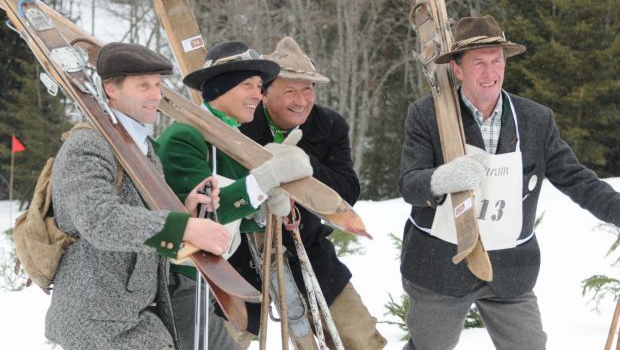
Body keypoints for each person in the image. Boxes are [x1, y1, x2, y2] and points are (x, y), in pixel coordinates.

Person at [398, 15, 620, 350]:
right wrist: (441, 179)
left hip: (508, 270)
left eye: (496, 61)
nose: (490, 72)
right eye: (478, 63)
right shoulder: (428, 115)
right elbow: (410, 184)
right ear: (457, 69)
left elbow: (575, 178)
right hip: (441, 266)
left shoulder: (534, 120)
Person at [45, 42, 232, 350]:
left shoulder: (143, 152)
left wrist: (185, 210)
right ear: (111, 89)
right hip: (95, 321)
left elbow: (140, 221)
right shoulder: (87, 145)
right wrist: (182, 228)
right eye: (143, 86)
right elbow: (100, 221)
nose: (155, 95)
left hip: (134, 317)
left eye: (157, 85)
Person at [156, 40, 314, 347]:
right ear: (220, 87)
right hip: (178, 281)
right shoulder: (185, 136)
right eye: (248, 85)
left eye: (259, 87)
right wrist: (262, 182)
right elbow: (204, 215)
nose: (258, 94)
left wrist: (263, 209)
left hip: (210, 280)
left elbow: (236, 215)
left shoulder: (233, 140)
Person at [238, 36, 387, 349]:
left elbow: (347, 191)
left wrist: (301, 163)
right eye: (289, 91)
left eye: (307, 89)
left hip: (306, 246)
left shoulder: (329, 125)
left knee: (360, 338)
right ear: (265, 93)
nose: (301, 100)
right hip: (243, 254)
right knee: (219, 339)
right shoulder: (241, 123)